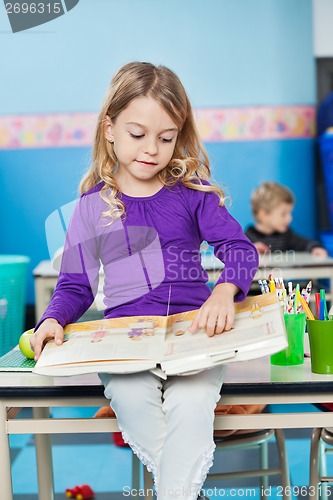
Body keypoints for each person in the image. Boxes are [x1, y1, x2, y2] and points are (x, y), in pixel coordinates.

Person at [30, 62, 258, 500]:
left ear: (179, 134)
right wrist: (53, 319)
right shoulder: (91, 205)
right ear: (110, 128)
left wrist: (226, 291)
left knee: (191, 410)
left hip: (195, 334)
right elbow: (75, 286)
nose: (152, 149)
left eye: (166, 137)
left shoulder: (193, 191)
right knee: (134, 402)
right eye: (138, 135)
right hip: (125, 344)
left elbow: (240, 250)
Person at [245, 181, 328, 256]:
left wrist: (316, 248)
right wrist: (250, 250)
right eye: (283, 214)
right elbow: (236, 256)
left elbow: (306, 244)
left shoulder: (287, 235)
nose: (290, 218)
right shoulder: (246, 238)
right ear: (263, 215)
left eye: (289, 213)